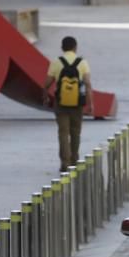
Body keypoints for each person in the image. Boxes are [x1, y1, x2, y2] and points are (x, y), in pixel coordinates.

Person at [44, 37, 94, 173]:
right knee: (75, 133)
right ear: (75, 47)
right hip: (77, 103)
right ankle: (74, 161)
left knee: (63, 133)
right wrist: (90, 103)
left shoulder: (56, 63)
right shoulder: (82, 63)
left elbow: (47, 83)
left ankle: (64, 163)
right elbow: (88, 84)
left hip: (61, 103)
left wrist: (45, 97)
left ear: (62, 48)